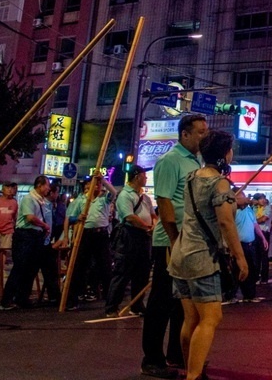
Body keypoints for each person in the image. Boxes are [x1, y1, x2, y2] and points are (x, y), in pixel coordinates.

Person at [168, 130, 248, 380]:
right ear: (225, 154)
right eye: (230, 150)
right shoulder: (219, 182)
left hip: (181, 253)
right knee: (212, 317)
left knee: (191, 318)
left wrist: (233, 201)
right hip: (202, 256)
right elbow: (225, 222)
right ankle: (194, 375)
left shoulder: (193, 177)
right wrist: (240, 257)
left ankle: (191, 369)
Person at [141, 113, 208, 379]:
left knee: (184, 303)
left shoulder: (198, 161)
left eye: (206, 132)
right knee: (161, 302)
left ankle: (176, 353)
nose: (204, 136)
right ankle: (152, 359)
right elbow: (165, 203)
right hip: (171, 240)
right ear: (185, 134)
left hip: (190, 241)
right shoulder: (170, 161)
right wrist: (173, 240)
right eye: (200, 132)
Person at [106, 165, 154, 316]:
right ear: (136, 176)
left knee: (142, 272)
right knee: (123, 271)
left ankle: (137, 305)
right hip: (129, 235)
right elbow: (130, 217)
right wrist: (147, 226)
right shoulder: (125, 195)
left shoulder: (144, 197)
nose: (146, 178)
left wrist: (155, 226)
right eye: (144, 175)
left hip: (144, 237)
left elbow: (153, 215)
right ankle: (112, 307)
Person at [2, 175, 55, 309]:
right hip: (25, 236)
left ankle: (22, 298)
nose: (48, 188)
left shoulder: (41, 201)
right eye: (47, 185)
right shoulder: (29, 199)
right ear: (40, 185)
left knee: (31, 269)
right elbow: (30, 217)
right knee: (20, 268)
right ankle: (6, 300)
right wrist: (44, 225)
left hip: (36, 236)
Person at [69, 173, 115, 304]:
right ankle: (75, 296)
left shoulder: (104, 199)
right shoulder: (81, 200)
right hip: (86, 234)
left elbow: (113, 192)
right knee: (80, 266)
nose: (97, 186)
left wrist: (104, 180)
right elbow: (71, 218)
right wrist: (78, 218)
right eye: (95, 183)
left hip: (101, 234)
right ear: (88, 186)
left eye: (99, 184)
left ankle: (109, 298)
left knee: (105, 266)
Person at [226, 189, 261, 303]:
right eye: (241, 198)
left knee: (251, 270)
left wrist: (263, 238)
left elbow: (255, 225)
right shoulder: (232, 211)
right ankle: (231, 295)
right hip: (238, 245)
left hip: (250, 245)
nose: (244, 200)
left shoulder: (249, 211)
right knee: (236, 271)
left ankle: (249, 295)